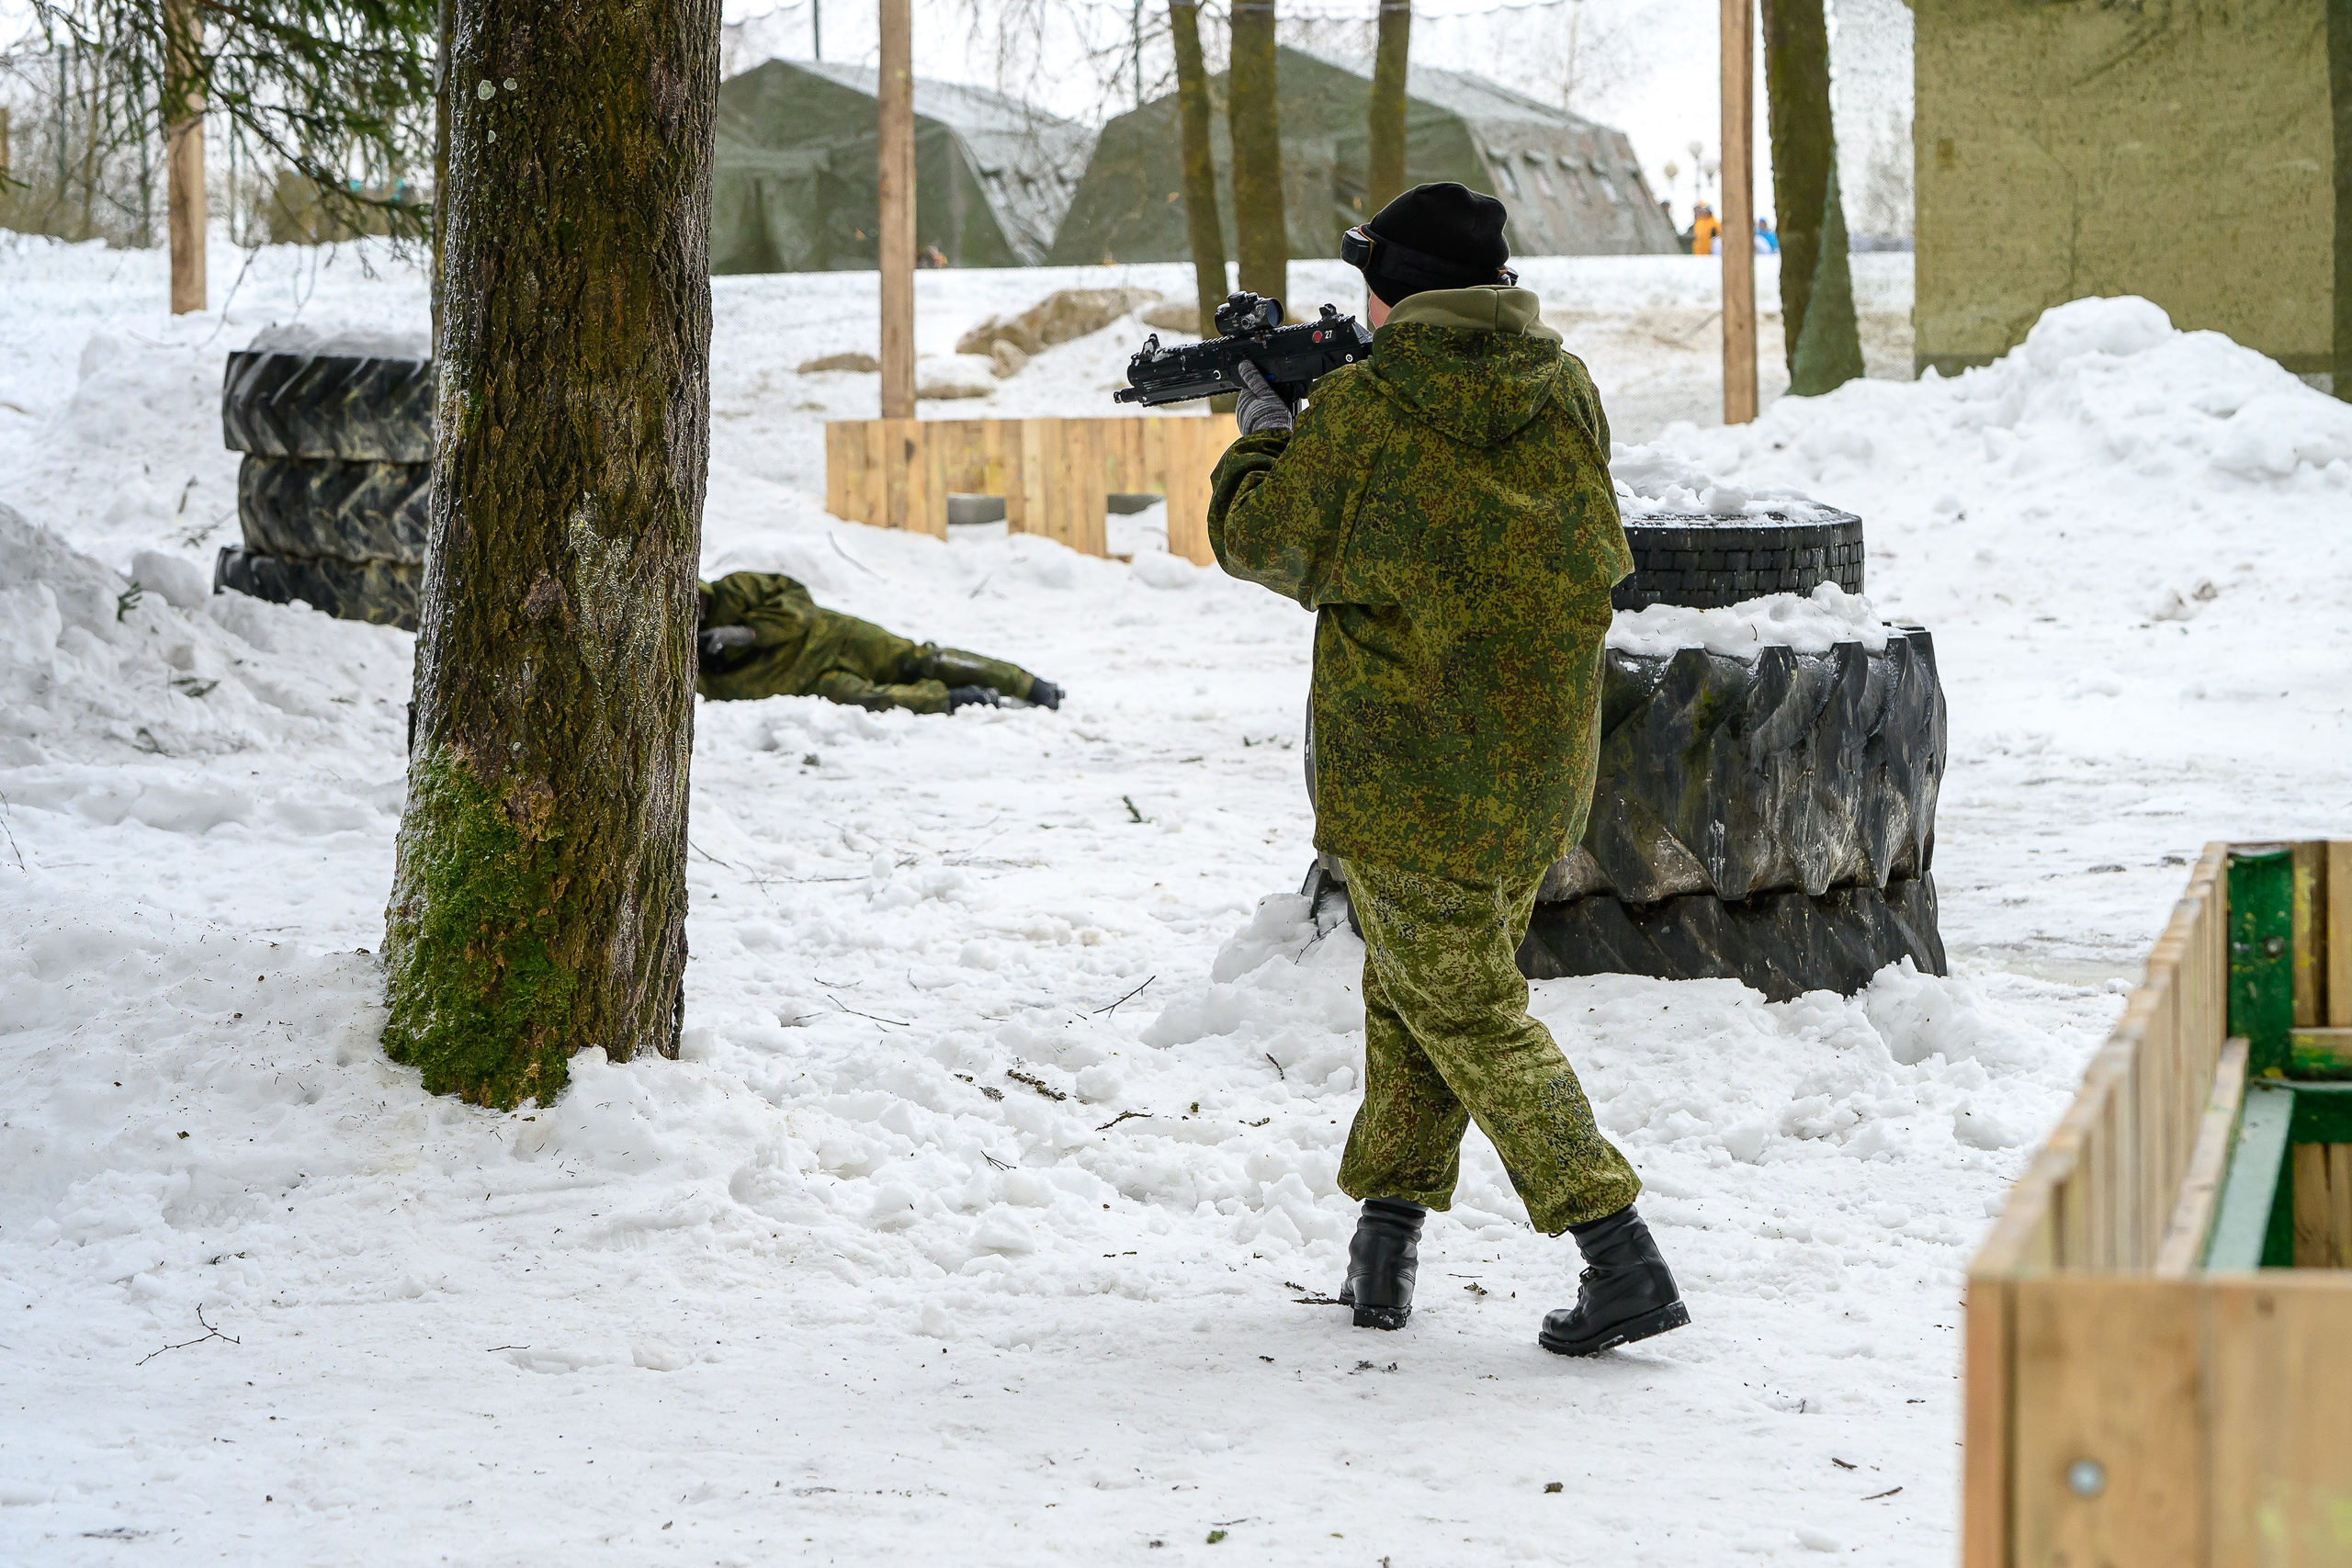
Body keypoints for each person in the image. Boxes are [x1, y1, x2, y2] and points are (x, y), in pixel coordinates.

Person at [1207, 181, 1688, 1357]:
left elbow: (1262, 540)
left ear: (1394, 293)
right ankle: (1385, 1246)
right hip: (1532, 771)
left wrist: (1267, 429)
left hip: (1405, 775)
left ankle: (1617, 1249)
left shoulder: (1370, 410)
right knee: (1414, 996)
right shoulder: (1561, 384)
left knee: (1464, 1009)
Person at [695, 570, 1061, 714]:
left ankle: (1027, 684)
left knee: (920, 660)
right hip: (810, 681)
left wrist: (749, 633)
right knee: (872, 699)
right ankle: (960, 699)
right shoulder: (690, 664)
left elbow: (799, 602)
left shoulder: (736, 589)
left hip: (836, 637)